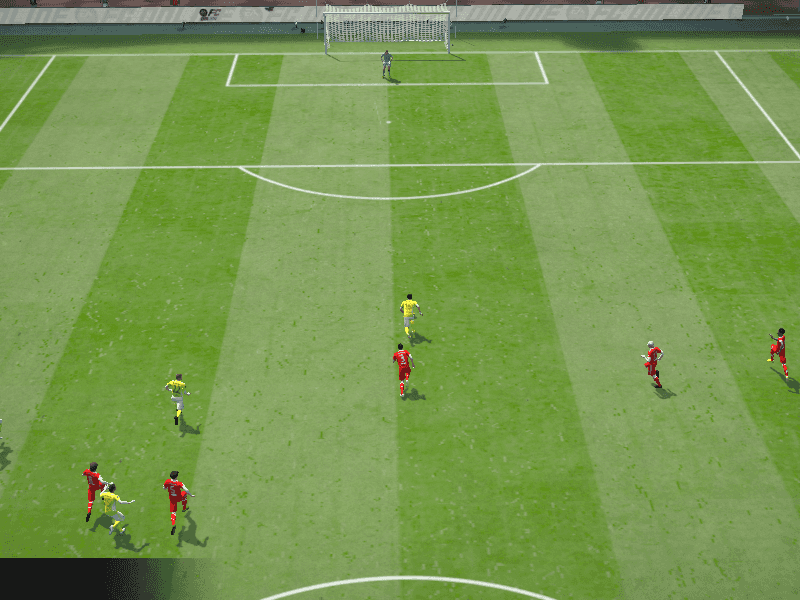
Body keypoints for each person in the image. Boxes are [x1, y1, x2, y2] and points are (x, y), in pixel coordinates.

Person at [163, 471, 196, 535]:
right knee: (185, 493)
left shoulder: (167, 481)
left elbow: (164, 488)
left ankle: (173, 524)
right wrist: (191, 495)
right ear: (177, 476)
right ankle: (184, 508)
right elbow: (186, 489)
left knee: (173, 512)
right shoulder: (179, 483)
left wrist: (167, 487)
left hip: (172, 498)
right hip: (179, 497)